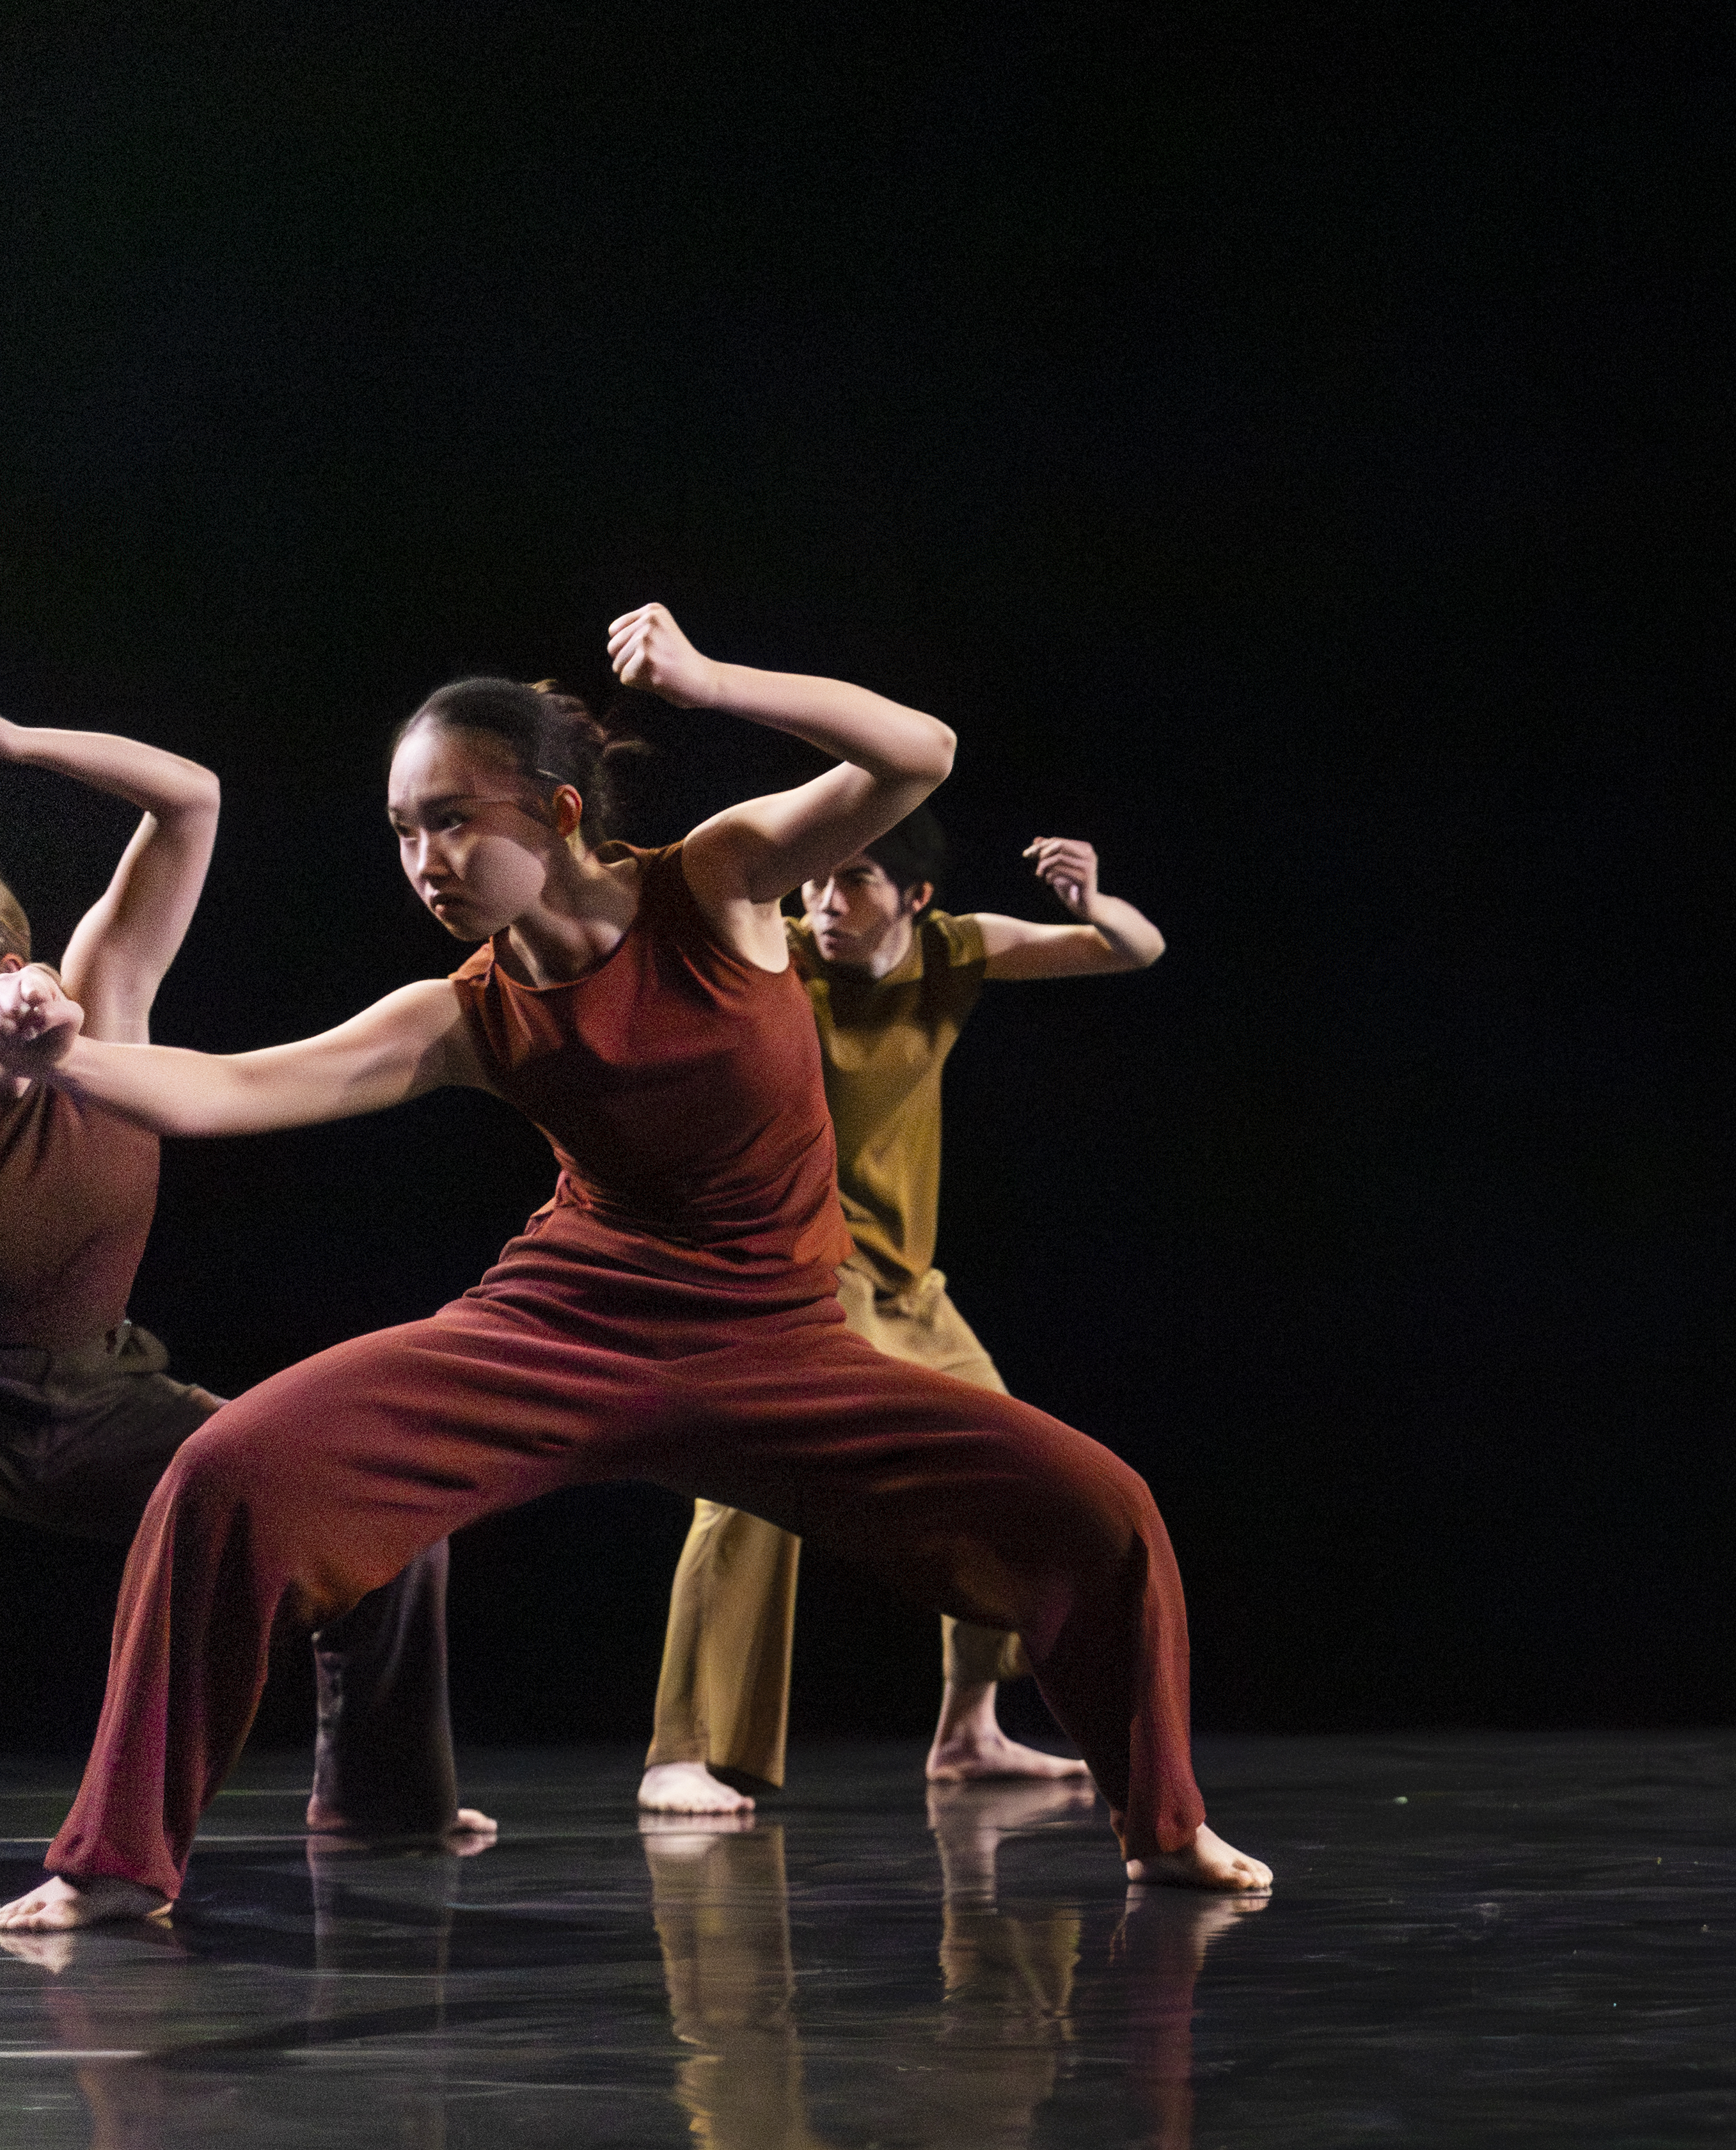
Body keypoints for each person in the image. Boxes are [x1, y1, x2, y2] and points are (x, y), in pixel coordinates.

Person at [0, 605, 1263, 1927]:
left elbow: (917, 753)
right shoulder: (466, 1010)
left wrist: (715, 681)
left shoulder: (715, 883)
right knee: (227, 1472)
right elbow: (228, 1088)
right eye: (400, 831)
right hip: (563, 1326)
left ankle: (1162, 1828)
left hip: (778, 1340)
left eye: (451, 820)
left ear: (553, 811)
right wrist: (58, 1055)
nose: (422, 859)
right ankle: (112, 1864)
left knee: (1098, 1509)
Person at [0, 709, 482, 1843]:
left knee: (388, 1520)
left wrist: (15, 743)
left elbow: (191, 798)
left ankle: (381, 1800)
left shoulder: (101, 1008)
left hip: (95, 1398)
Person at [635, 811, 1171, 1817]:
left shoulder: (950, 951)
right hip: (788, 1276)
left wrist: (1093, 903)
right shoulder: (777, 956)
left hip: (906, 1290)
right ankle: (683, 1750)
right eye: (815, 883)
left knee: (1023, 1482)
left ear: (915, 897)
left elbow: (1134, 948)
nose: (824, 903)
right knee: (748, 1490)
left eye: (855, 882)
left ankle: (968, 1729)